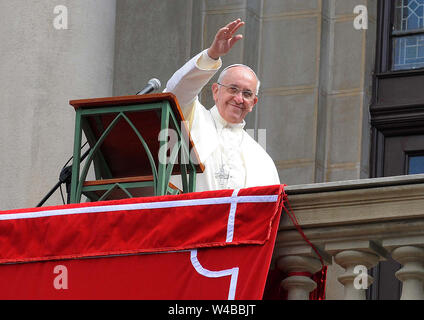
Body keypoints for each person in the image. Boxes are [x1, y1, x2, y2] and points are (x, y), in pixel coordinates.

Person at [165, 19, 280, 192]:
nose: (239, 99)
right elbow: (176, 92)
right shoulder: (194, 118)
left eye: (247, 94)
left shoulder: (262, 158)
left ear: (253, 103)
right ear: (216, 91)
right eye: (233, 89)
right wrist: (211, 55)